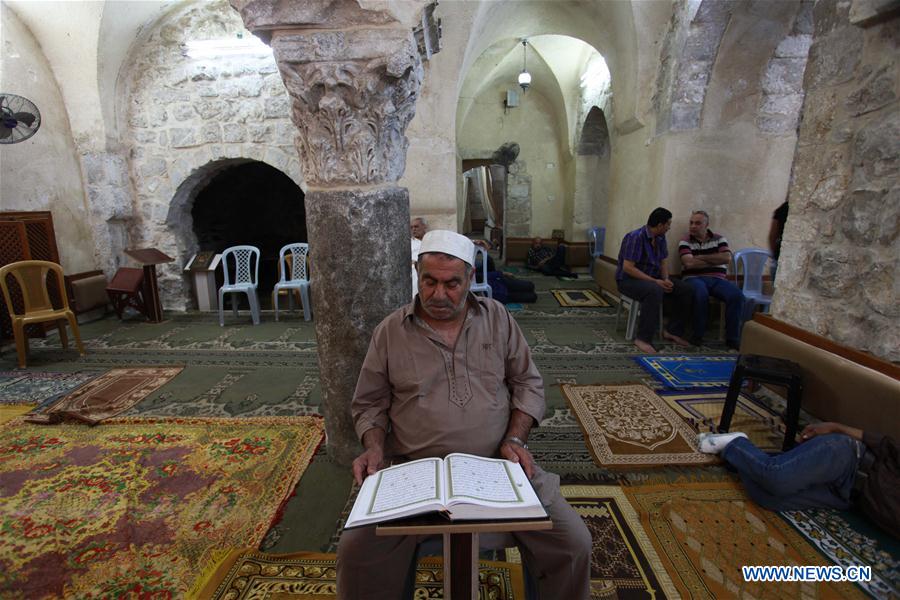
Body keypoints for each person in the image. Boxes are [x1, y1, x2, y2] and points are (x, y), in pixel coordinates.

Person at [337, 230, 592, 599]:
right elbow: (369, 403)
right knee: (357, 552)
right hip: (414, 470)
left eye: (452, 283)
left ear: (470, 278)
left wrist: (515, 439)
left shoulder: (498, 319)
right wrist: (374, 446)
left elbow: (528, 383)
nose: (439, 295)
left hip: (497, 467)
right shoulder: (391, 331)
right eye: (430, 281)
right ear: (417, 274)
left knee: (573, 543)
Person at [698, 423, 898, 539]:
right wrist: (836, 427)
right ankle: (736, 443)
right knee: (776, 479)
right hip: (851, 460)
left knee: (767, 497)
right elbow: (887, 444)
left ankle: (751, 459)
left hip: (848, 496)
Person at [615, 207, 693, 354]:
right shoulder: (635, 237)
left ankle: (672, 331)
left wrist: (666, 279)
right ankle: (643, 338)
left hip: (653, 279)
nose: (669, 227)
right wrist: (655, 281)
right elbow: (628, 268)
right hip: (628, 281)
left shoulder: (661, 238)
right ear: (660, 225)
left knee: (685, 289)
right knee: (654, 289)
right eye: (668, 224)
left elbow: (663, 262)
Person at [678, 210, 745, 349]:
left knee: (737, 296)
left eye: (697, 223)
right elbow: (689, 263)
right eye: (691, 223)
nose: (693, 226)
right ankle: (698, 335)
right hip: (693, 278)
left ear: (706, 225)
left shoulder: (719, 239)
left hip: (717, 279)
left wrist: (700, 257)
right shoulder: (685, 241)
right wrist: (714, 259)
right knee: (700, 293)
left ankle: (732, 338)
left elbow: (726, 258)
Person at [473, 239, 537, 303]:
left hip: (500, 282)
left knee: (530, 285)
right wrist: (502, 273)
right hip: (499, 293)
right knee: (532, 297)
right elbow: (481, 277)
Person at [768, 201, 788, 280]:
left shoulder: (782, 209)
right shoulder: (784, 209)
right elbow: (772, 236)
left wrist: (774, 255)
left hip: (779, 256)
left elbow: (772, 236)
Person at [410, 217, 428, 299]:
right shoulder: (408, 243)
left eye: (416, 227)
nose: (414, 229)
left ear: (424, 227)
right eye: (412, 227)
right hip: (412, 272)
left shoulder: (430, 241)